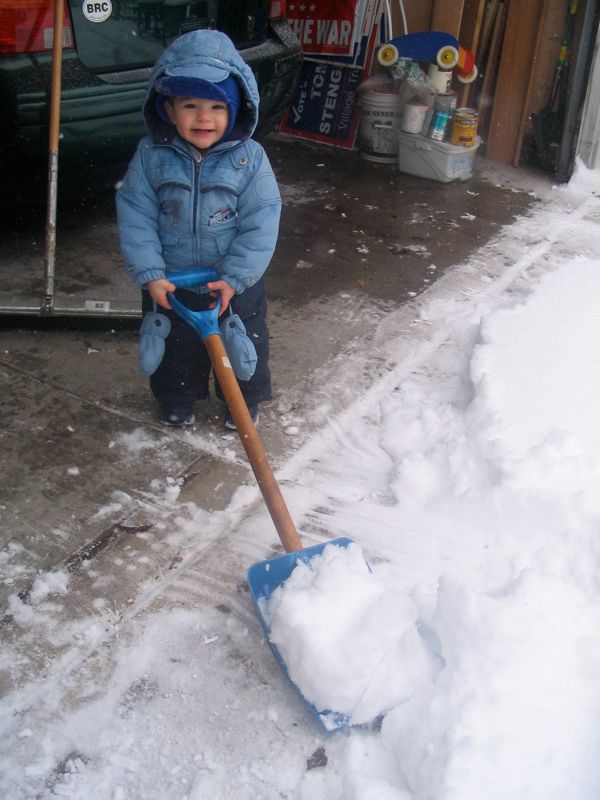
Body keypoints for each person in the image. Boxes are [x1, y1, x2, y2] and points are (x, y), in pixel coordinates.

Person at [116, 29, 281, 428]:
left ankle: (241, 400)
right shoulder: (152, 156)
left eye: (216, 107)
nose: (204, 118)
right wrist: (151, 274)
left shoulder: (250, 159)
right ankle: (178, 396)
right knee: (176, 348)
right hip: (172, 281)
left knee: (242, 343)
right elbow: (136, 213)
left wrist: (236, 278)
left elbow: (262, 220)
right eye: (190, 105)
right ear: (169, 109)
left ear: (237, 109)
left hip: (232, 281)